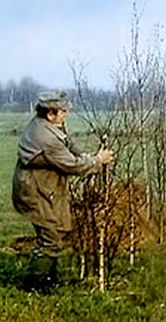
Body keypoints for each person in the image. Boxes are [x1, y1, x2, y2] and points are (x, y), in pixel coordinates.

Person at [12, 91, 114, 293]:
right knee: (50, 238)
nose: (66, 115)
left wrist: (85, 155)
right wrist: (97, 161)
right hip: (36, 192)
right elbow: (72, 166)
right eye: (63, 111)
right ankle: (33, 287)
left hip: (41, 187)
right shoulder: (46, 139)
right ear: (50, 114)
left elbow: (67, 142)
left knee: (54, 232)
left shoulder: (46, 124)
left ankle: (48, 281)